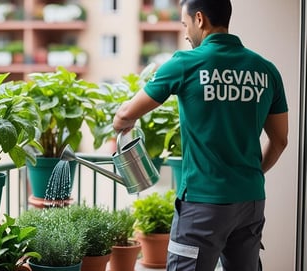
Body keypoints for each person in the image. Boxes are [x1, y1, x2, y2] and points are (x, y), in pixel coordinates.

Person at [113, 0, 289, 270]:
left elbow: (127, 115)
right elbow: (280, 141)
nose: (185, 33)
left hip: (202, 203)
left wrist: (119, 121)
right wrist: (250, 176)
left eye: (184, 24)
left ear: (199, 19)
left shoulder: (185, 63)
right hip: (250, 200)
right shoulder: (266, 70)